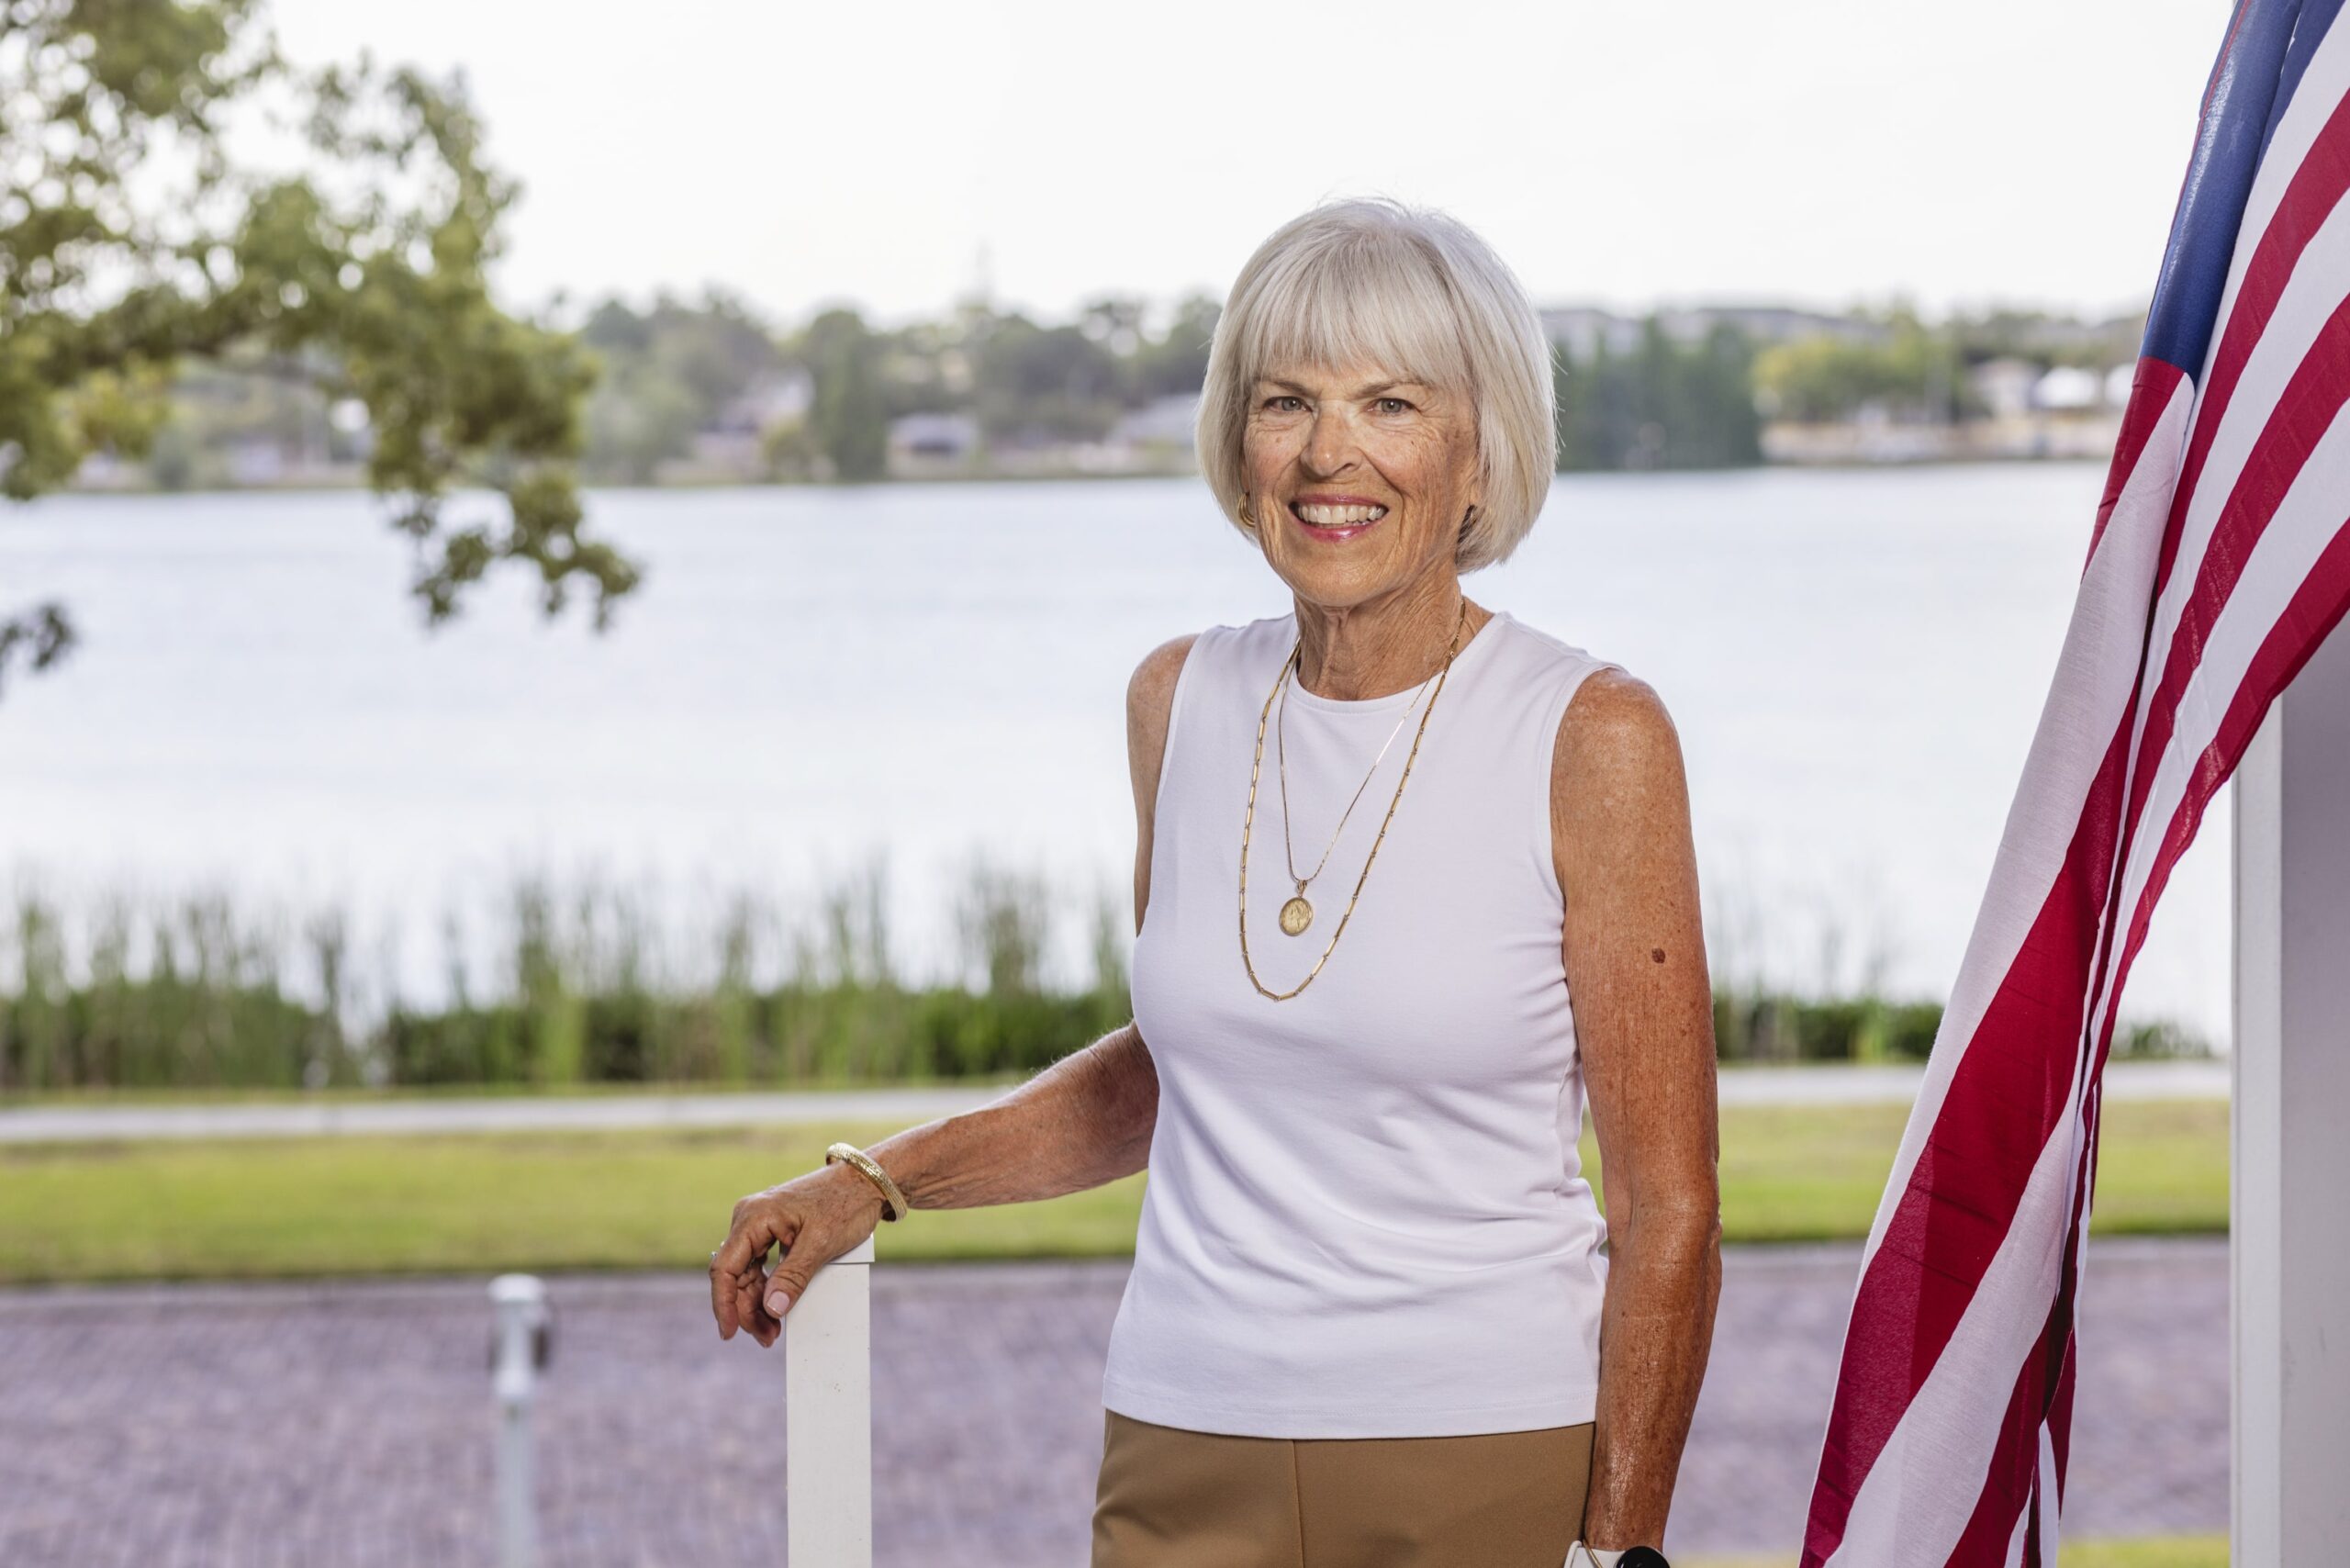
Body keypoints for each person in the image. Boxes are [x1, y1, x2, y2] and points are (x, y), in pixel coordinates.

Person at [709, 196, 1721, 1568]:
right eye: (1286, 400)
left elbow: (1668, 1207)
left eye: (1391, 404)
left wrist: (1621, 1553)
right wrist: (877, 1181)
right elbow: (1183, 1065)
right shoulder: (1178, 701)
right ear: (1236, 443)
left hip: (1480, 1449)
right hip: (1183, 1438)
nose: (1327, 454)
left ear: (1482, 454)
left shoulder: (1592, 735)